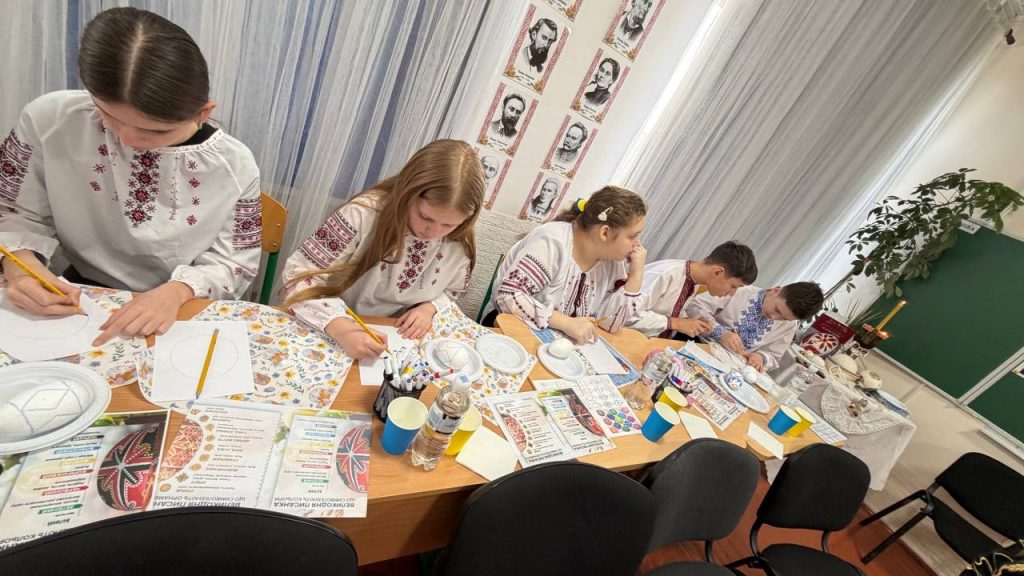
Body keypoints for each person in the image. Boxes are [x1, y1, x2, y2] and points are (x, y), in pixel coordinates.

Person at [0, 7, 261, 347]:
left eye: (156, 130)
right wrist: (19, 265)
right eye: (108, 116)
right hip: (82, 293)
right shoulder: (50, 121)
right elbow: (15, 211)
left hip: (182, 301)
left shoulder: (234, 165)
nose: (128, 139)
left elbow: (234, 262)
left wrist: (178, 291)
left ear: (203, 113)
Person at [282, 139, 484, 360]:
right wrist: (339, 326)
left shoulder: (459, 241)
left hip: (396, 338)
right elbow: (298, 274)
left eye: (449, 225)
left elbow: (453, 290)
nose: (433, 232)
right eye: (425, 217)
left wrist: (430, 307)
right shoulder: (362, 214)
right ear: (407, 193)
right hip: (333, 325)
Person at [483, 186, 648, 344]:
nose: (638, 245)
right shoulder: (552, 242)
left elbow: (609, 324)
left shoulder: (611, 262)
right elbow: (507, 296)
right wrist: (564, 322)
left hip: (556, 343)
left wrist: (636, 275)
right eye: (633, 236)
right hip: (507, 332)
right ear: (604, 232)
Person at [684, 281, 824, 372]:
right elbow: (695, 306)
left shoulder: (789, 326)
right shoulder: (741, 291)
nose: (775, 317)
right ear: (776, 290)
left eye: (784, 318)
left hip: (733, 367)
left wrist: (760, 357)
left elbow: (774, 356)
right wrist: (721, 332)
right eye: (777, 310)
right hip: (696, 345)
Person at [628, 241, 758, 338]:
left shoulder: (693, 281)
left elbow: (667, 310)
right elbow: (626, 316)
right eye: (734, 286)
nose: (732, 294)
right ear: (717, 272)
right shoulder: (666, 274)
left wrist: (689, 322)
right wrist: (676, 323)